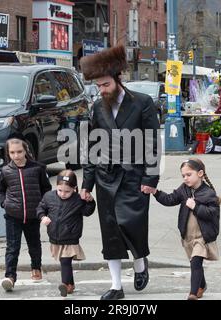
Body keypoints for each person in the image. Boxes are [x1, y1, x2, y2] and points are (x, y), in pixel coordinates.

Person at [79, 45, 160, 300]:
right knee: (111, 232)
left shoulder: (143, 103)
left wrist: (150, 178)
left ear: (117, 80)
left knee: (132, 227)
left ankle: (139, 262)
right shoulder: (96, 108)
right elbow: (91, 147)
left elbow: (152, 143)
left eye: (104, 85)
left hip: (134, 176)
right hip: (106, 177)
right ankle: (116, 286)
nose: (101, 90)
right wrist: (87, 184)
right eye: (98, 86)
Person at [151, 158, 220, 300]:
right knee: (196, 264)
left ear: (200, 173)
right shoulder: (184, 190)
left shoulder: (209, 194)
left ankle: (193, 294)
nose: (185, 178)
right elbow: (169, 199)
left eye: (189, 175)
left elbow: (212, 214)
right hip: (187, 236)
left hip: (202, 237)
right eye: (183, 175)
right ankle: (202, 285)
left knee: (195, 262)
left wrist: (196, 206)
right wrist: (155, 192)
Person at [0, 138, 52, 292]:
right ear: (8, 153)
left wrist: (44, 208)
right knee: (12, 247)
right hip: (13, 216)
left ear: (25, 150)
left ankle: (36, 268)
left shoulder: (38, 168)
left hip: (34, 215)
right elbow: (0, 191)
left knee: (34, 244)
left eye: (19, 151)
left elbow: (46, 189)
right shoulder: (6, 170)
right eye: (12, 152)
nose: (16, 155)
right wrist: (5, 204)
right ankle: (10, 276)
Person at [37, 170, 96, 297]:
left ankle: (65, 284)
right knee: (64, 262)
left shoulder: (78, 200)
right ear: (56, 186)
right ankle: (71, 285)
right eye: (60, 190)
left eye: (67, 191)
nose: (63, 194)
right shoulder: (49, 196)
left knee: (65, 261)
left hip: (70, 237)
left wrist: (90, 201)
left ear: (74, 188)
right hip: (55, 237)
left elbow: (87, 212)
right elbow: (41, 208)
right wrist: (42, 217)